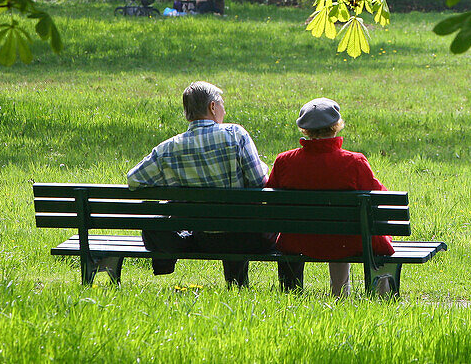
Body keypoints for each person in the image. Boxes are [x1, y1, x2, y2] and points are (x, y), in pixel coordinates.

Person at [127, 81, 274, 286]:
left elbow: (134, 179)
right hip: (245, 236)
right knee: (239, 222)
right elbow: (259, 183)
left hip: (202, 238)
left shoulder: (168, 148)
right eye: (222, 104)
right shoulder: (235, 134)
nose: (224, 109)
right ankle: (238, 285)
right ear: (212, 107)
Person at [266, 98, 394, 295]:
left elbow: (270, 197)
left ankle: (299, 294)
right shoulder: (354, 162)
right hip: (347, 241)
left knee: (337, 235)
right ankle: (347, 294)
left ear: (305, 129)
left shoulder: (285, 161)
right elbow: (379, 197)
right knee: (351, 235)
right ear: (336, 126)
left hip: (298, 240)